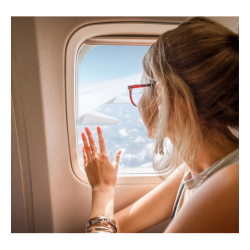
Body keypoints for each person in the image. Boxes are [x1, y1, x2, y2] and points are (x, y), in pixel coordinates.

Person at [81, 17, 239, 233]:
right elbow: (122, 225)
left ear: (163, 95)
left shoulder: (228, 189)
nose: (138, 98)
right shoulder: (195, 167)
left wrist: (102, 189)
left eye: (142, 86)